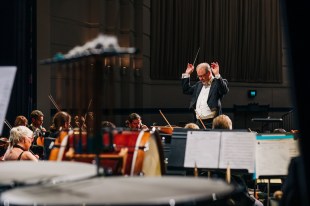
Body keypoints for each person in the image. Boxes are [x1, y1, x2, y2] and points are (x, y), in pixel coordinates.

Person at [181, 62, 229, 129]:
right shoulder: (199, 84)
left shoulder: (218, 83)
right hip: (198, 122)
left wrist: (217, 74)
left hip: (211, 122)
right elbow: (186, 90)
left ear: (209, 73)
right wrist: (187, 73)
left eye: (202, 76)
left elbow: (224, 90)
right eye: (199, 76)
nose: (200, 78)